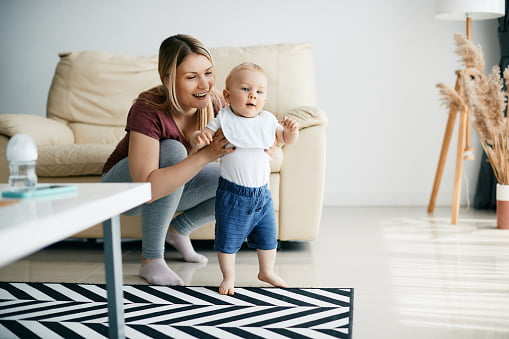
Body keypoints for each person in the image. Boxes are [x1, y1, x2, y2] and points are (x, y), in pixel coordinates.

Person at [101, 34, 235, 286]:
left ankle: (179, 230)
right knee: (173, 149)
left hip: (169, 189)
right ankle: (151, 259)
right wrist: (206, 155)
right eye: (191, 77)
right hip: (124, 192)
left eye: (208, 73)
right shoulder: (147, 107)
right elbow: (146, 187)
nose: (204, 84)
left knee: (234, 181)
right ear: (168, 79)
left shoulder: (215, 102)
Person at [190, 62, 299, 295]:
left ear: (265, 99)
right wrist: (200, 137)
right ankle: (229, 276)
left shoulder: (268, 121)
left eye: (259, 92)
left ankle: (266, 270)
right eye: (246, 89)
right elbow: (206, 133)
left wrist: (291, 132)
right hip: (233, 194)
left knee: (268, 236)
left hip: (262, 195)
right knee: (228, 239)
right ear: (228, 95)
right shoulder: (224, 118)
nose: (253, 95)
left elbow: (285, 138)